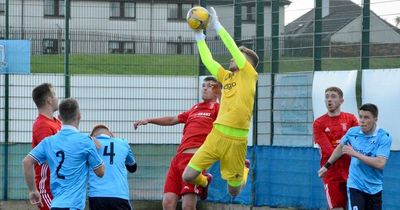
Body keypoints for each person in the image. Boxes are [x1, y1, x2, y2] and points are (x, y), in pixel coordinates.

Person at [182, 7, 258, 197]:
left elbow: (233, 47)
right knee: (188, 175)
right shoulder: (226, 77)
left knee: (233, 192)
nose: (232, 57)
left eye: (239, 56)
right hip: (216, 135)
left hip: (237, 141)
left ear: (247, 63)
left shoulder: (249, 74)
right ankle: (205, 181)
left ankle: (244, 169)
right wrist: (199, 36)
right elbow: (208, 60)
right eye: (234, 56)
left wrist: (217, 25)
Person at [134, 76, 221, 210]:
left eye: (210, 85)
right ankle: (204, 182)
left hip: (195, 160)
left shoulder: (218, 108)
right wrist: (149, 120)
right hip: (178, 159)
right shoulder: (194, 108)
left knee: (188, 206)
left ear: (217, 90)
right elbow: (172, 120)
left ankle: (203, 182)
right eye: (204, 85)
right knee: (168, 203)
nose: (204, 88)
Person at [23, 98, 105, 210]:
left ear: (60, 118)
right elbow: (100, 172)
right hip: (74, 206)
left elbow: (27, 162)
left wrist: (33, 190)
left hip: (56, 205)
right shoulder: (86, 142)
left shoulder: (48, 141)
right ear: (79, 115)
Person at [318, 103, 392, 210]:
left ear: (375, 119)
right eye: (360, 117)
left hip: (374, 188)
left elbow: (380, 163)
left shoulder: (384, 137)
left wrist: (355, 154)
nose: (362, 120)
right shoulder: (353, 132)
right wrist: (327, 165)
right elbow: (340, 148)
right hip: (355, 186)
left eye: (366, 117)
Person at [313, 87, 358, 210]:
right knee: (337, 207)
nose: (329, 99)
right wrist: (344, 147)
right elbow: (329, 150)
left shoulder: (351, 119)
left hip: (352, 171)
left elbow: (356, 143)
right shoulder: (318, 123)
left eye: (333, 96)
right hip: (331, 173)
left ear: (341, 100)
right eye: (327, 96)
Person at [88, 124, 137, 210]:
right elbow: (133, 168)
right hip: (119, 195)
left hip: (97, 195)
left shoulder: (89, 145)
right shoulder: (123, 143)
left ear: (92, 136)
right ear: (110, 133)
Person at [31, 83, 62, 210]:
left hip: (58, 186)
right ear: (49, 100)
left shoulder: (57, 122)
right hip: (48, 188)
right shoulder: (42, 125)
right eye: (54, 94)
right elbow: (52, 157)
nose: (56, 98)